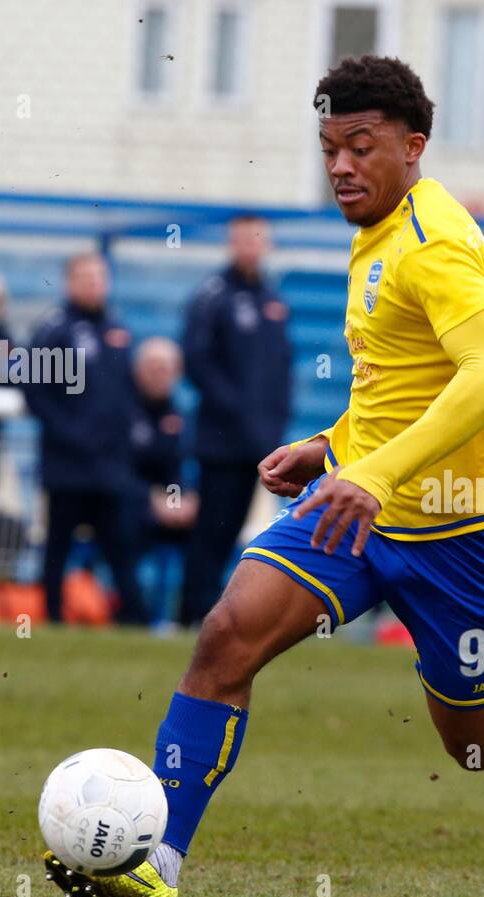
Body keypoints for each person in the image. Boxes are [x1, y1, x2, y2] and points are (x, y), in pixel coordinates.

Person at [43, 55, 484, 897]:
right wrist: (329, 447)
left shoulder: (435, 241)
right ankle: (157, 865)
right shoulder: (374, 235)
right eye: (329, 149)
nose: (342, 166)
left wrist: (377, 472)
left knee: (480, 742)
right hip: (355, 506)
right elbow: (399, 385)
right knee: (227, 633)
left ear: (413, 145)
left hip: (462, 534)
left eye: (361, 146)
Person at [178, 215, 293, 626]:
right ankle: (192, 613)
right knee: (213, 529)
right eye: (243, 238)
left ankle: (214, 611)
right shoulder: (214, 296)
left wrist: (272, 425)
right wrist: (238, 413)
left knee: (235, 531)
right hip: (223, 442)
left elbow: (280, 371)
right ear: (232, 242)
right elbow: (196, 360)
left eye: (258, 238)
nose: (251, 246)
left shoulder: (272, 301)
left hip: (259, 442)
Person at [25, 253, 147, 626]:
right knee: (58, 544)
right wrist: (71, 434)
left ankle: (133, 618)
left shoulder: (115, 329)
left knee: (118, 545)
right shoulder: (56, 329)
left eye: (99, 277)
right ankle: (51, 617)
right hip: (68, 465)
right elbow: (35, 391)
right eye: (86, 277)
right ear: (69, 282)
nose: (94, 284)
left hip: (109, 465)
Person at [128, 336, 197, 569]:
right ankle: (128, 601)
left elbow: (174, 470)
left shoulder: (177, 417)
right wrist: (150, 498)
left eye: (165, 369)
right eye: (153, 368)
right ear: (137, 370)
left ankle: (194, 602)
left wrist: (179, 501)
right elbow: (113, 468)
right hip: (125, 502)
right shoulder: (120, 412)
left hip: (161, 504)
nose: (159, 375)